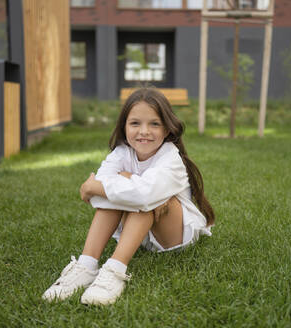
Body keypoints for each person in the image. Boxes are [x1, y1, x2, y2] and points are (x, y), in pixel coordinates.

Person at [42, 87, 215, 305]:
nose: (144, 131)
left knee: (147, 197)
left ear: (167, 129)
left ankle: (115, 270)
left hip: (174, 236)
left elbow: (137, 194)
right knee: (125, 188)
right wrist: (115, 185)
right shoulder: (122, 152)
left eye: (154, 124)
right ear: (124, 127)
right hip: (142, 235)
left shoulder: (170, 158)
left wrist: (95, 186)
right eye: (135, 123)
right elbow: (104, 192)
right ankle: (86, 265)